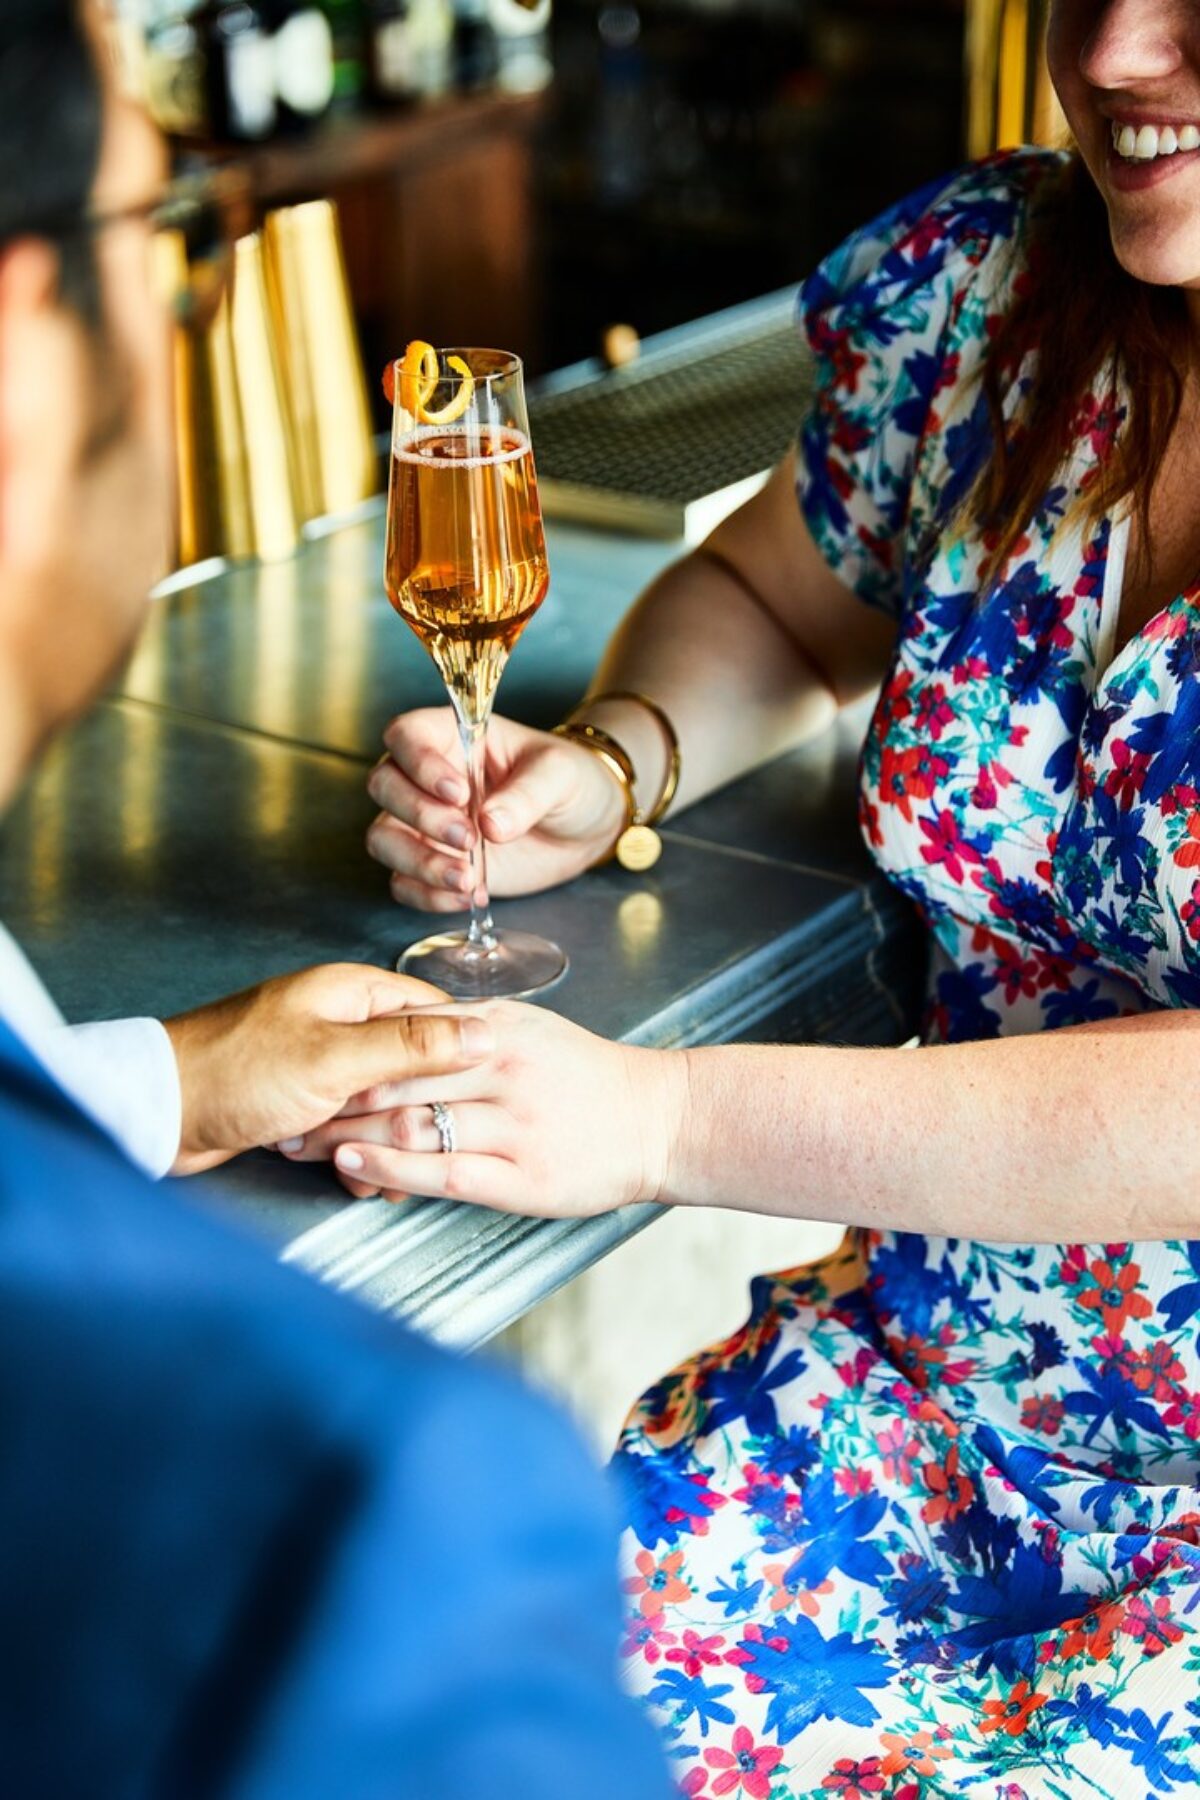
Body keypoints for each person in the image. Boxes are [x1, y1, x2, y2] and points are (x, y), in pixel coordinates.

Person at [300, 0, 1200, 1790]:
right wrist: (616, 761)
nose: (1111, 50)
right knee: (459, 1716)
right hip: (930, 1393)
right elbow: (780, 601)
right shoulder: (1001, 291)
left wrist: (662, 1120)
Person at [0, 5, 679, 1793]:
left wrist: (173, 1079)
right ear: (21, 357)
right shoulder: (362, 1536)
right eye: (172, 239)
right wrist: (663, 1116)